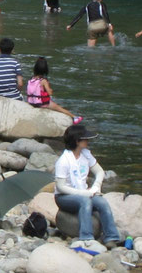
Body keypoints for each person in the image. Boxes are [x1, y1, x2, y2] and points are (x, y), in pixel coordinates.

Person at [54, 124, 122, 253]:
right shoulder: (63, 161)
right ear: (76, 141)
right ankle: (87, 237)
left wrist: (96, 187)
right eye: (85, 139)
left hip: (85, 193)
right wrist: (84, 193)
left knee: (102, 202)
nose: (88, 141)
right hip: (63, 197)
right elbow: (61, 187)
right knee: (85, 202)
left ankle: (111, 237)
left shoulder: (86, 154)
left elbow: (100, 172)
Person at [25, 57, 81, 122]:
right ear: (45, 70)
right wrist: (50, 89)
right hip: (42, 104)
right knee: (59, 108)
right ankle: (74, 117)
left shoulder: (31, 79)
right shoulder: (43, 81)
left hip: (32, 102)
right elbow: (50, 93)